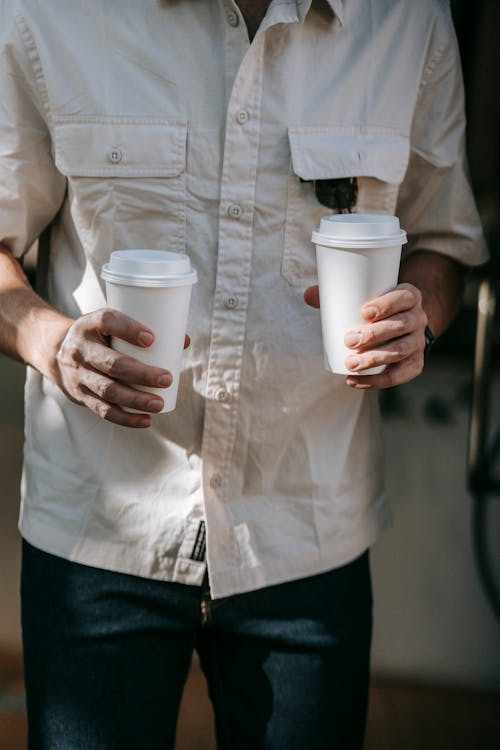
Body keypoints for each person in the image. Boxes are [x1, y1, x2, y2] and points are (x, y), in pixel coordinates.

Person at [0, 1, 488, 748]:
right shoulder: (50, 12)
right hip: (96, 535)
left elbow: (444, 244)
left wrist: (418, 315)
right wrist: (51, 341)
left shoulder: (407, 20)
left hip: (307, 533)